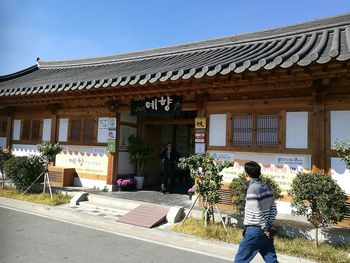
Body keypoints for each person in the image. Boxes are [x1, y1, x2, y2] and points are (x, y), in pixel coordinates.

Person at [234, 161, 278, 263]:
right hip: (266, 231)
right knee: (271, 260)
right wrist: (269, 226)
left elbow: (256, 212)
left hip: (254, 231)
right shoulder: (267, 188)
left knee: (240, 260)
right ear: (259, 173)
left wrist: (265, 228)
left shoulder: (252, 190)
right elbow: (274, 209)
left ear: (246, 174)